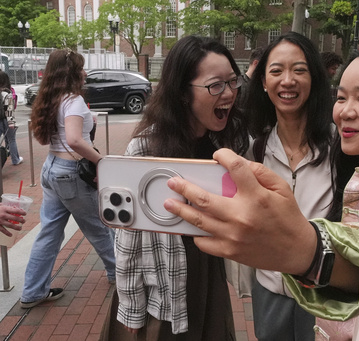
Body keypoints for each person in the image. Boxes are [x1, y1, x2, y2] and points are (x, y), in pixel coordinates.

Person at [163, 41, 359, 340]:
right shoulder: (261, 148)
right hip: (291, 290)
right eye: (342, 97)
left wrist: (306, 250)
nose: (345, 110)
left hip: (327, 294)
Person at [100, 36, 249, 340]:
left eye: (233, 82)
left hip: (207, 272)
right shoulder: (146, 148)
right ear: (183, 92)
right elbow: (127, 236)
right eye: (215, 85)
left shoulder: (223, 143)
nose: (229, 93)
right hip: (162, 283)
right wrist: (130, 303)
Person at [244, 32, 350, 341]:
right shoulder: (257, 151)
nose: (287, 80)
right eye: (276, 71)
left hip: (326, 292)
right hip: (270, 291)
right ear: (263, 82)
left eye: (299, 70)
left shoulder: (341, 148)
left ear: (315, 79)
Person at [23, 48, 116, 309]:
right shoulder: (73, 101)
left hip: (52, 168)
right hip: (71, 173)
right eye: (81, 67)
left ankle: (33, 291)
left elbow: (62, 136)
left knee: (49, 232)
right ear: (71, 72)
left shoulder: (52, 99)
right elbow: (74, 140)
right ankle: (121, 273)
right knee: (100, 227)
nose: (85, 72)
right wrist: (102, 161)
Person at [0, 71, 23, 165]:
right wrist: (11, 122)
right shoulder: (7, 93)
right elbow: (9, 110)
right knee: (11, 140)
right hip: (6, 120)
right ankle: (15, 159)